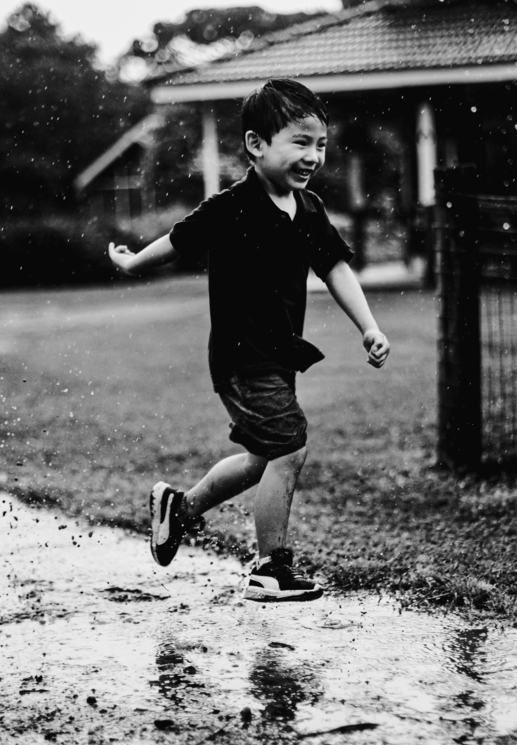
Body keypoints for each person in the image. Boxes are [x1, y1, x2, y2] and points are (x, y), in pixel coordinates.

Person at [108, 78, 389, 602]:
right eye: (300, 142)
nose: (313, 155)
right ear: (257, 145)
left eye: (320, 144)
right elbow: (177, 240)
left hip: (278, 356)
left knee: (264, 460)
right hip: (242, 357)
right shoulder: (232, 205)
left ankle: (181, 509)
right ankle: (269, 568)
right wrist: (131, 263)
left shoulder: (308, 211)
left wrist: (369, 326)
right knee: (290, 444)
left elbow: (336, 269)